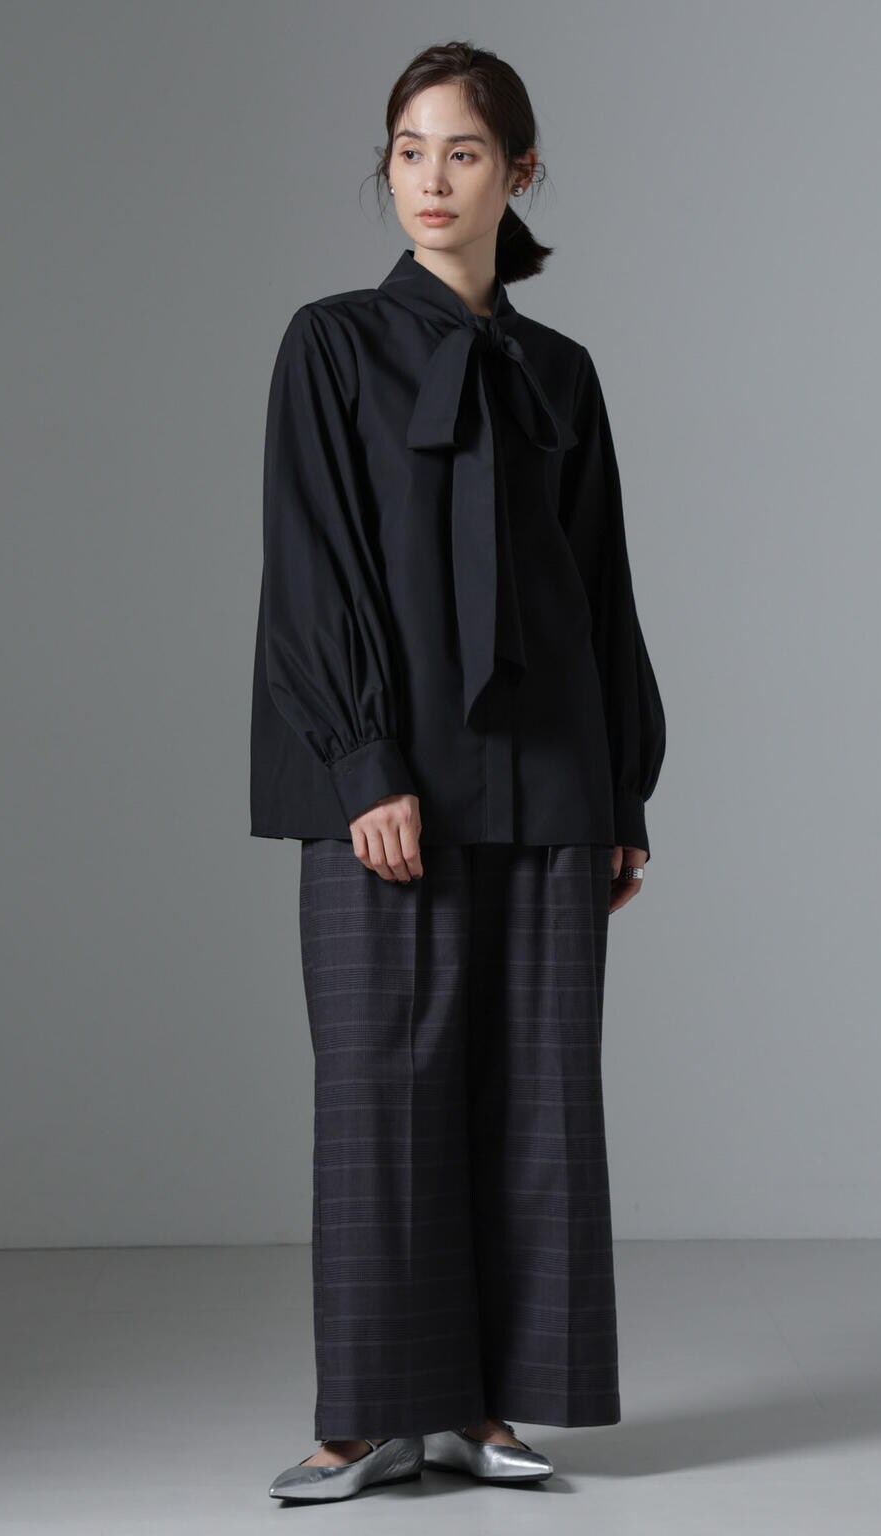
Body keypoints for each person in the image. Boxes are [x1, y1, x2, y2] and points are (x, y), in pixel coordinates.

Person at [249, 40, 666, 1503]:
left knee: (534, 1096)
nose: (431, 179)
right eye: (410, 151)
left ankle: (489, 1409)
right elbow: (312, 568)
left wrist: (622, 795)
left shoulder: (562, 372)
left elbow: (599, 589)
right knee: (381, 1094)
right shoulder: (330, 347)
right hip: (392, 777)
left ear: (520, 174)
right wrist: (364, 762)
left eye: (465, 152)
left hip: (550, 780)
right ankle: (371, 1416)